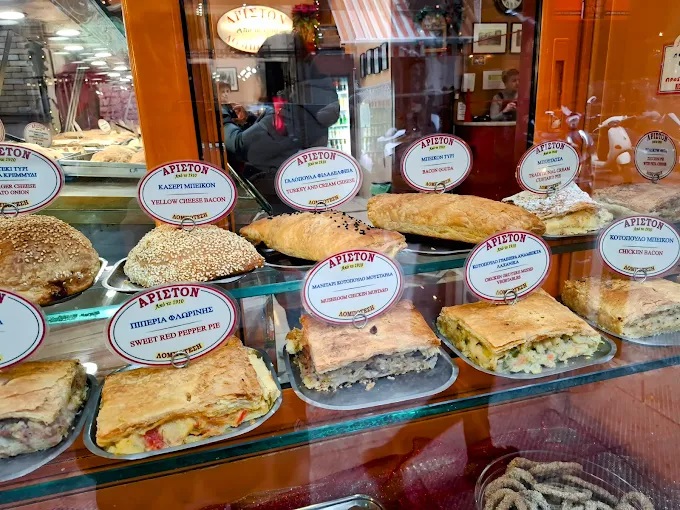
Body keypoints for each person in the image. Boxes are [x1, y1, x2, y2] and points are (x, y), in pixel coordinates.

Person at [223, 32, 340, 214]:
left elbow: (242, 147)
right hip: (295, 191)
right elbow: (279, 136)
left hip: (281, 198)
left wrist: (223, 118)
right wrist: (250, 120)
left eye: (263, 66)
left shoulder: (293, 103)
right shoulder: (307, 96)